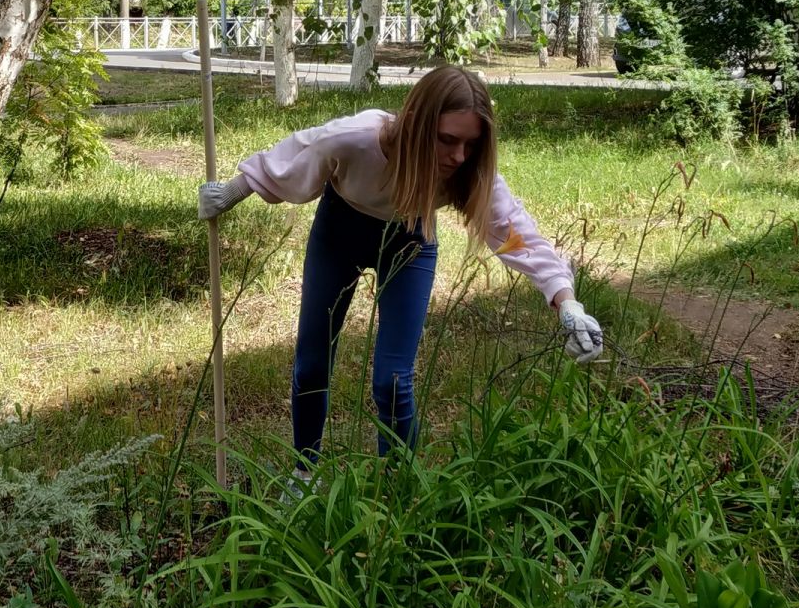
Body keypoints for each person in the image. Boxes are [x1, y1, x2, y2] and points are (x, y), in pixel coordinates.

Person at [196, 65, 603, 483]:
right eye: (447, 139)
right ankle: (305, 472)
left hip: (411, 242)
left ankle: (398, 484)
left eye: (470, 144)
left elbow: (516, 233)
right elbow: (297, 153)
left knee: (393, 380)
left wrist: (566, 300)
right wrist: (233, 191)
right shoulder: (355, 138)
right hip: (339, 233)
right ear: (416, 122)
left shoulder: (464, 170)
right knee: (312, 365)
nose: (458, 155)